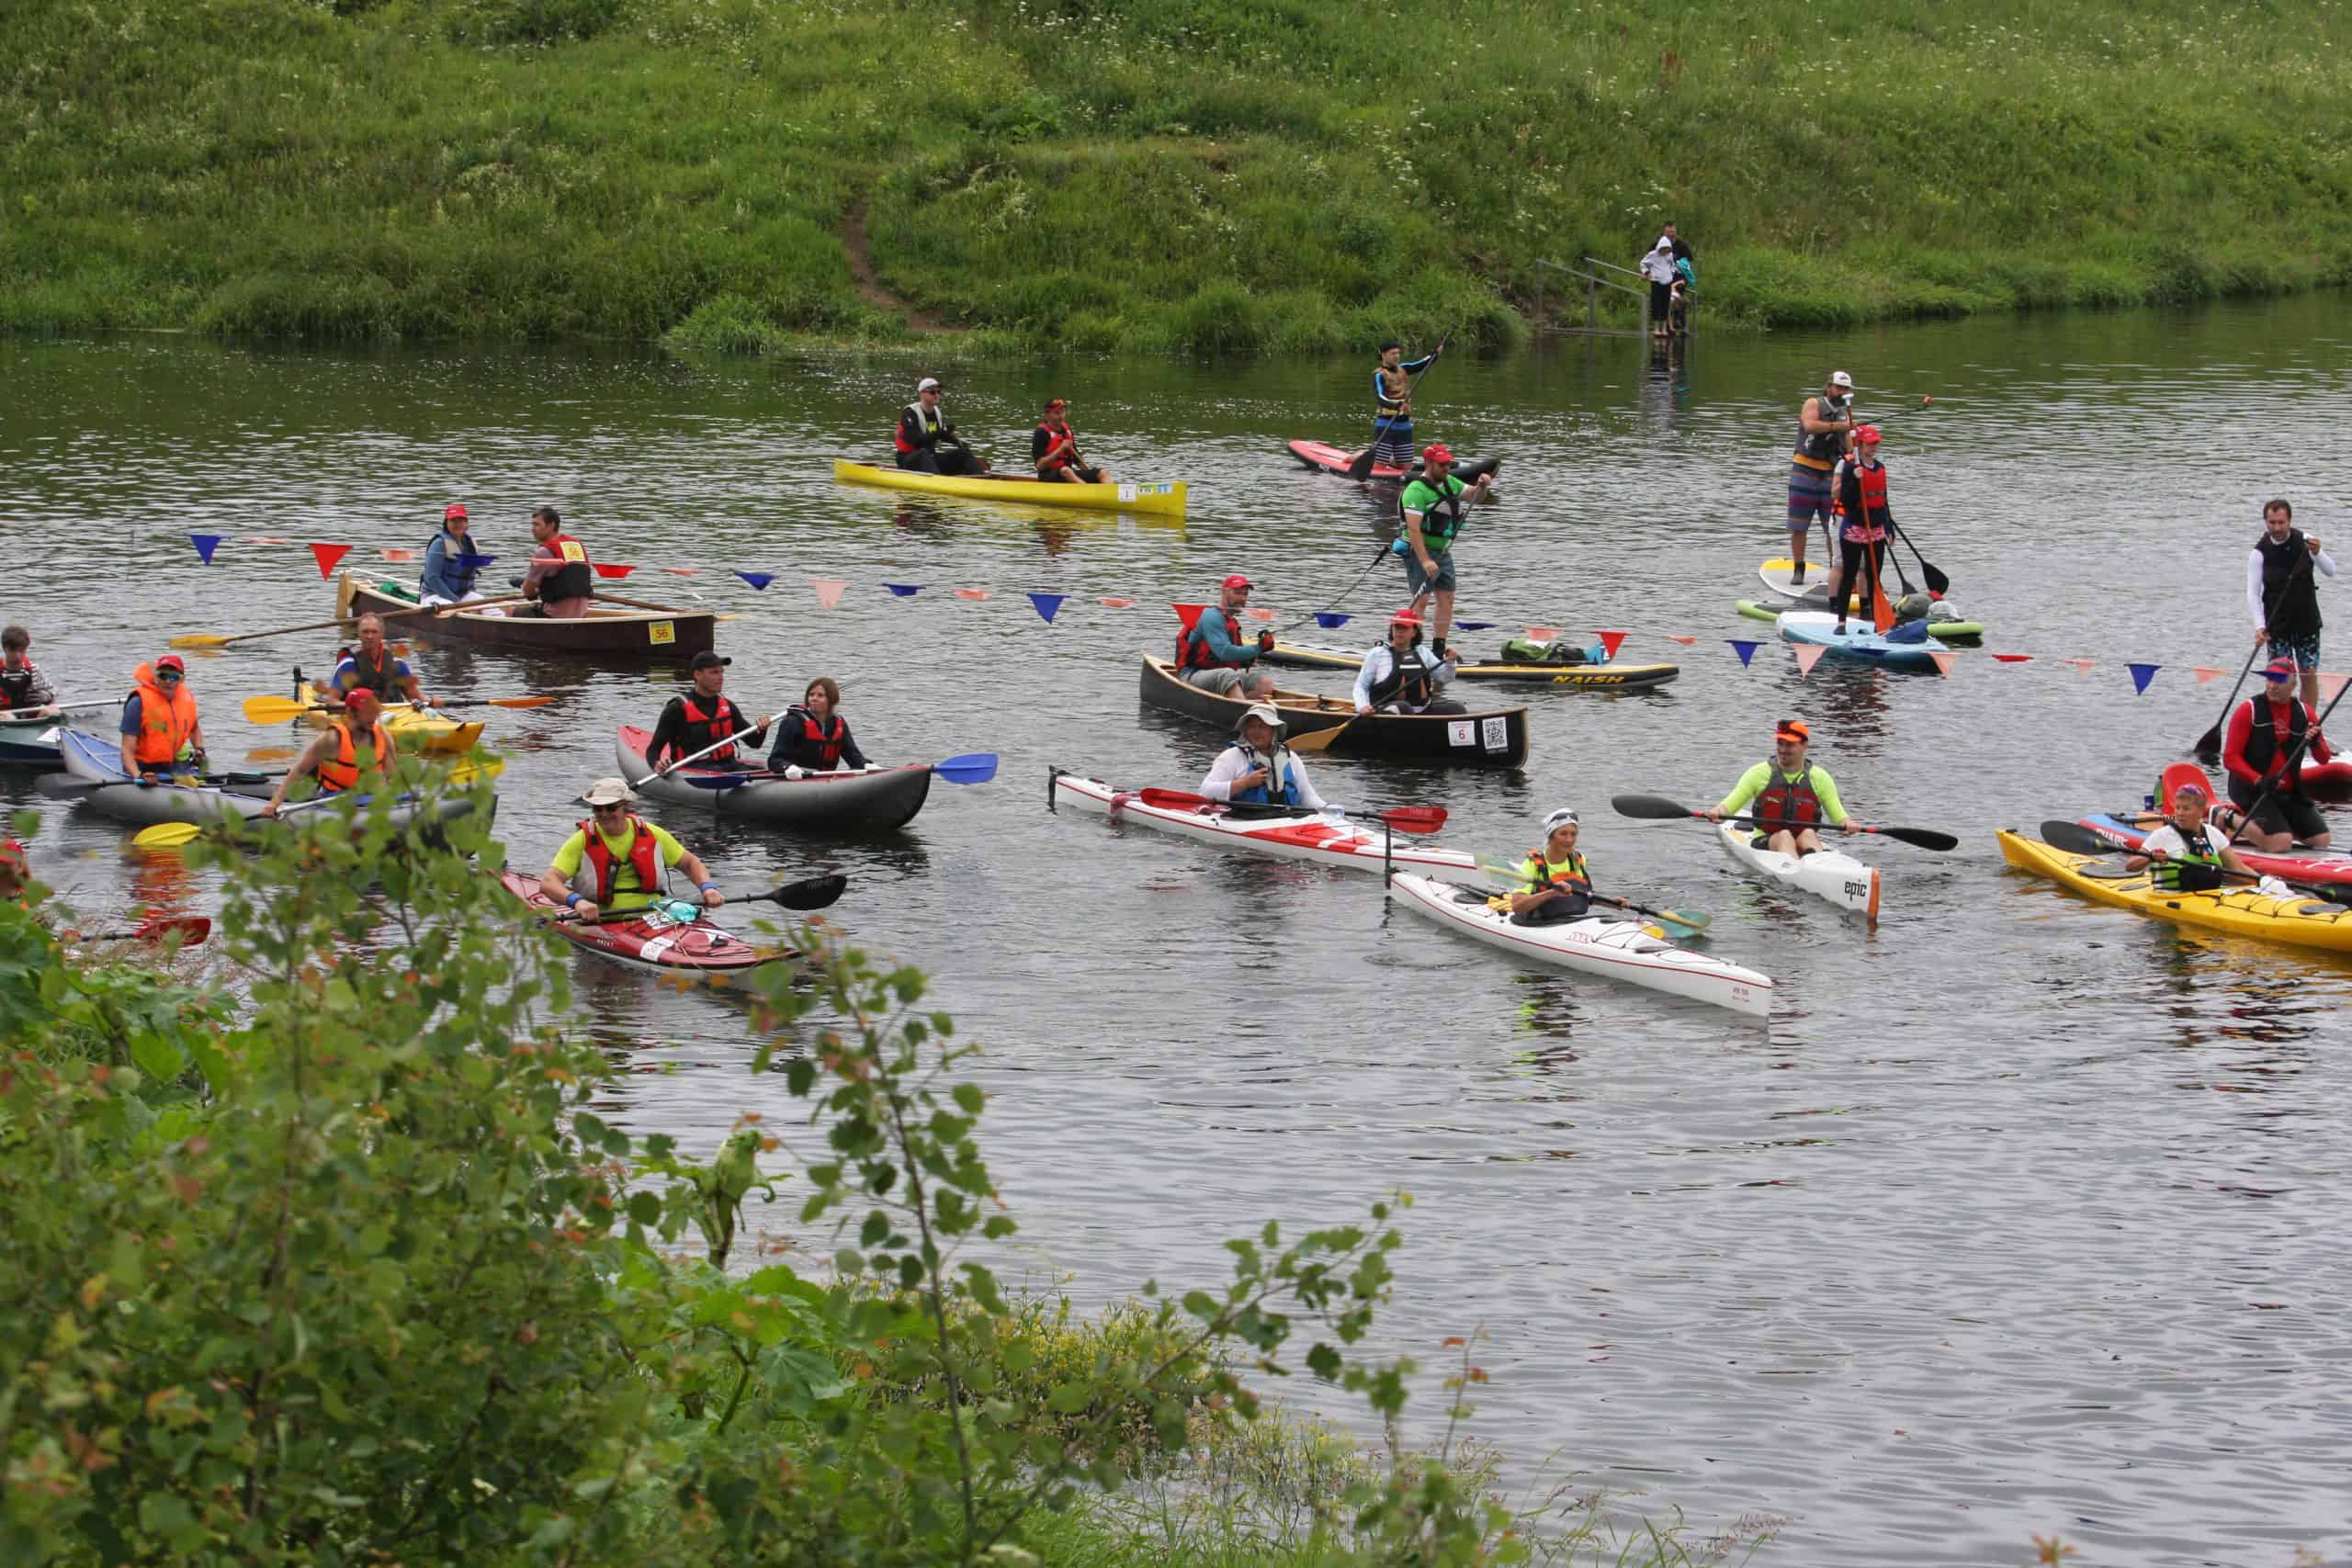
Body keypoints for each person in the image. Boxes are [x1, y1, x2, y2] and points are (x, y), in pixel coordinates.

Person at [539, 777, 725, 923]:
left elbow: (689, 863)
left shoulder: (652, 833)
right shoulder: (582, 840)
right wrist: (577, 902)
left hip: (653, 918)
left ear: (625, 807)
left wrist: (708, 888)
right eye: (598, 808)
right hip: (599, 922)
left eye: (611, 808)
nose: (604, 814)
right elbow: (549, 883)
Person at [2220, 657, 2335, 852]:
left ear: (2293, 683)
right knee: (2281, 843)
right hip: (2252, 789)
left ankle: (2275, 827)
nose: (2272, 686)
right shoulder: (2249, 710)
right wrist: (2258, 780)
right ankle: (2224, 816)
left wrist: (2315, 743)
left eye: (2279, 680)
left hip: (2288, 793)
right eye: (2269, 679)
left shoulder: (2306, 713)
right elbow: (2230, 758)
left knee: (2321, 840)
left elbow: (2323, 759)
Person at [1705, 718, 1859, 855]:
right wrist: (1718, 811)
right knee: (1784, 835)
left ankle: (1816, 864)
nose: (1783, 749)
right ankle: (1798, 871)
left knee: (1809, 833)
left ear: (1805, 746)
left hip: (1804, 839)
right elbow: (1729, 805)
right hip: (1767, 839)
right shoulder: (1758, 773)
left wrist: (1847, 824)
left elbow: (1839, 816)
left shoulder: (1820, 778)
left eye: (1790, 744)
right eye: (1780, 743)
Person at [1397, 444, 1493, 661]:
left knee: (1447, 598)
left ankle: (1438, 649)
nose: (1447, 468)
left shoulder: (1449, 482)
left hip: (1442, 550)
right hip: (1419, 550)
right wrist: (1424, 560)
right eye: (1442, 465)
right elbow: (1413, 529)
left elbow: (1475, 497)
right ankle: (1413, 649)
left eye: (1449, 464)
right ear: (1430, 464)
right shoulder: (1415, 491)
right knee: (1421, 599)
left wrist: (1482, 486)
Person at [2246, 498, 2336, 716]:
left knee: (2308, 674)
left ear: (2289, 521)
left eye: (2281, 522)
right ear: (2266, 522)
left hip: (2306, 621)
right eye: (2272, 523)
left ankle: (2309, 724)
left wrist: (2317, 553)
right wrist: (2260, 627)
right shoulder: (2258, 553)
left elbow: (2331, 570)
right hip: (2277, 625)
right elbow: (2253, 594)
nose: (2276, 528)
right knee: (2280, 678)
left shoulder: (2306, 541)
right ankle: (2282, 726)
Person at [260, 688, 398, 818]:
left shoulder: (383, 736)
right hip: (336, 798)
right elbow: (299, 772)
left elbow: (393, 777)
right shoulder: (332, 739)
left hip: (371, 798)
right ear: (350, 712)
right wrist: (273, 804)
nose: (372, 716)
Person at [2123, 781, 2264, 892]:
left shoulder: (2213, 833)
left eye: (2186, 808)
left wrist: (2265, 883)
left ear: (2200, 811)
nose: (2180, 813)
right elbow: (2130, 866)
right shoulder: (2162, 835)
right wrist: (2151, 857)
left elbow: (2238, 869)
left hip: (2209, 898)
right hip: (2168, 900)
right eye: (2177, 807)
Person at [646, 651, 772, 773]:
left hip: (729, 765)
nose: (721, 677)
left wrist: (762, 728)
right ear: (698, 675)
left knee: (766, 770)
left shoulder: (727, 706)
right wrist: (657, 765)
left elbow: (755, 743)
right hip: (693, 770)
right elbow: (653, 750)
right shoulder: (676, 709)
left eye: (722, 672)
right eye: (714, 672)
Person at [1787, 372, 1858, 586]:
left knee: (1833, 527)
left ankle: (1835, 570)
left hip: (1829, 474)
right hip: (1804, 471)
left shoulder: (1844, 414)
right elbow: (1809, 426)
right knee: (1799, 526)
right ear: (1828, 387)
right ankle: (1799, 568)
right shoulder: (1813, 403)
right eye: (1838, 387)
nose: (1842, 392)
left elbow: (1848, 443)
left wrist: (1853, 462)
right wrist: (1839, 427)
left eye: (1845, 389)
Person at [1826, 424, 1893, 631]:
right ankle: (1841, 622)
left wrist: (1888, 528)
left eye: (1876, 444)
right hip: (1854, 529)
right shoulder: (1849, 468)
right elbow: (1845, 499)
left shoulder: (1880, 468)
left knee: (1874, 577)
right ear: (1860, 444)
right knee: (1849, 574)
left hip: (1876, 530)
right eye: (1870, 444)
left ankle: (1876, 622)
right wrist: (1854, 480)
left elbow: (1884, 501)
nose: (1874, 447)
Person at [1201, 702, 1327, 810]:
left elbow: (1307, 797)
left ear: (1274, 730)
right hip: (1242, 822)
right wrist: (1244, 783)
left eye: (1262, 726)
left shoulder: (1291, 758)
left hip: (1286, 821)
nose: (1256, 732)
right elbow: (1205, 792)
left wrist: (1327, 809)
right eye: (1251, 727)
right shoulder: (1231, 757)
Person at [1174, 574, 1277, 699]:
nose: (1242, 598)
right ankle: (1244, 712)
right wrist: (1259, 647)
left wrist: (1249, 658)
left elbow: (1233, 658)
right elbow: (1224, 653)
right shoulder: (1211, 617)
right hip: (1192, 675)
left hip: (1218, 675)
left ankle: (1257, 710)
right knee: (1227, 674)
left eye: (1245, 594)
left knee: (1264, 682)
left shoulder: (1232, 622)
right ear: (1224, 593)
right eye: (1237, 593)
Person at [312, 613, 435, 710]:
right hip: (359, 717)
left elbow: (415, 697)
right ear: (359, 634)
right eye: (365, 632)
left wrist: (431, 701)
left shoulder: (398, 664)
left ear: (382, 634)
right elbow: (332, 701)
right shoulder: (348, 664)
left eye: (374, 632)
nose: (370, 636)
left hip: (393, 715)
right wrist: (355, 708)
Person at [1353, 608, 1463, 716]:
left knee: (1458, 708)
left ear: (1414, 632)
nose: (1400, 631)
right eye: (1397, 627)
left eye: (1404, 628)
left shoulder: (1422, 652)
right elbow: (1361, 685)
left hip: (1422, 711)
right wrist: (1362, 706)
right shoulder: (1377, 654)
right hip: (1388, 711)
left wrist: (1451, 663)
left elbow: (1446, 678)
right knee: (1403, 707)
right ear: (1392, 629)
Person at [118, 654, 205, 783]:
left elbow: (194, 729)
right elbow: (126, 749)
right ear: (156, 677)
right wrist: (138, 775)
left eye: (174, 677)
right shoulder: (137, 703)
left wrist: (199, 748)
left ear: (182, 680)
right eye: (163, 676)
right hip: (144, 768)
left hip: (175, 766)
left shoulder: (186, 699)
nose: (168, 681)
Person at [768, 677, 872, 777]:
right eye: (811, 695)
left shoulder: (839, 723)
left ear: (831, 700)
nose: (814, 698)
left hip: (825, 778)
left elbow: (853, 756)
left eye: (820, 696)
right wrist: (788, 767)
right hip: (796, 777)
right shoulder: (792, 722)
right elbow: (774, 760)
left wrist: (866, 765)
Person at [1508, 807, 1592, 926]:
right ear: (1551, 836)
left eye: (1573, 834)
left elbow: (1583, 895)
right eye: (1563, 834)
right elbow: (1517, 906)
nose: (1569, 840)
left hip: (1569, 919)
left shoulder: (1578, 860)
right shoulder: (1533, 863)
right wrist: (1552, 893)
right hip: (1537, 922)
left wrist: (1612, 903)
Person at [1363, 339, 1439, 469]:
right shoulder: (1379, 375)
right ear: (1383, 355)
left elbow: (1422, 364)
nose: (1397, 356)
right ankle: (1360, 457)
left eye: (1398, 353)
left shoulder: (1403, 368)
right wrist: (1396, 405)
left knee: (1406, 467)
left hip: (1405, 425)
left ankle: (1393, 464)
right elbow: (1380, 397)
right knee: (1379, 466)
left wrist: (1434, 354)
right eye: (1393, 353)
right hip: (1386, 424)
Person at [894, 378, 988, 476]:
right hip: (908, 460)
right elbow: (914, 440)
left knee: (963, 453)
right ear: (921, 393)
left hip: (929, 458)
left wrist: (958, 442)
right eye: (932, 392)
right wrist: (939, 432)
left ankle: (981, 480)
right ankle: (939, 481)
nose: (937, 395)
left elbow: (939, 435)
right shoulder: (910, 412)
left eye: (939, 392)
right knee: (923, 454)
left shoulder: (937, 412)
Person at [517, 505, 595, 618]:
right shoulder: (576, 545)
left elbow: (528, 591)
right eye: (532, 524)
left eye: (537, 524)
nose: (532, 529)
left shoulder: (543, 552)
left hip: (554, 618)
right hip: (581, 616)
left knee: (512, 611)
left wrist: (526, 588)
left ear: (551, 525)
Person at [419, 502, 490, 606]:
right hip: (434, 595)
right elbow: (432, 578)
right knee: (451, 608)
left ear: (466, 523)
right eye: (453, 521)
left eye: (461, 520)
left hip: (462, 595)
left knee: (488, 607)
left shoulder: (470, 543)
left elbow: (471, 574)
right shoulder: (439, 544)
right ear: (446, 523)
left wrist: (470, 595)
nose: (457, 524)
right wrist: (455, 601)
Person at [1032, 398, 1109, 484]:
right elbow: (1040, 466)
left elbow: (1076, 459)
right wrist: (1061, 449)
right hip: (1048, 477)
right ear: (1047, 415)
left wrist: (1090, 474)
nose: (1061, 416)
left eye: (1063, 412)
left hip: (1067, 474)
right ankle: (1087, 492)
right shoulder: (1041, 433)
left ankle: (1110, 493)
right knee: (1066, 470)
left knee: (1103, 473)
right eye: (1057, 413)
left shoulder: (1067, 430)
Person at [1, 626, 58, 717]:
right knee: (6, 717)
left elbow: (53, 690)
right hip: (5, 719)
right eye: (13, 651)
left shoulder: (34, 669)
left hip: (32, 717)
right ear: (5, 648)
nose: (18, 656)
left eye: (22, 651)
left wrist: (45, 696)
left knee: (53, 710)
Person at [1639, 238, 1679, 338]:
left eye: (1667, 249)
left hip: (1667, 282)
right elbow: (1643, 263)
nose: (1666, 251)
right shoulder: (1653, 254)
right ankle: (1656, 329)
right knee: (1656, 304)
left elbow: (1673, 266)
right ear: (1660, 247)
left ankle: (1664, 329)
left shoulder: (1669, 255)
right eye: (1664, 249)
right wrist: (1647, 273)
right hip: (1656, 282)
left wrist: (1671, 274)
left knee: (1665, 305)